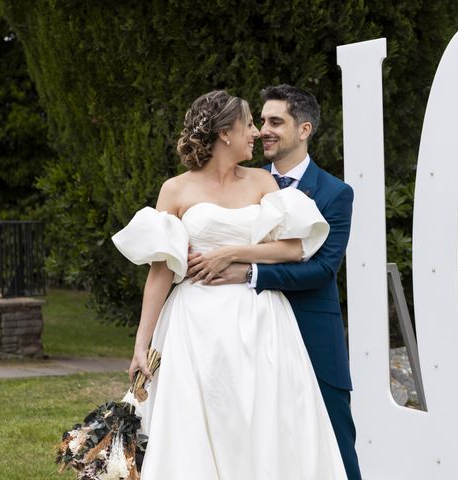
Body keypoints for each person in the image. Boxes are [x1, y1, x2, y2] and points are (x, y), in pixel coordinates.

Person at [112, 90, 347, 479]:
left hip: (260, 321)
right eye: (250, 124)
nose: (256, 133)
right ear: (225, 133)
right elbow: (160, 272)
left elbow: (292, 249)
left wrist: (232, 253)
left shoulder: (262, 182)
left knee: (262, 422)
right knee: (196, 424)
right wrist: (142, 344)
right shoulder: (176, 189)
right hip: (194, 325)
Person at [188, 85, 362, 479]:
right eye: (261, 121)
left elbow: (321, 268)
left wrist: (249, 272)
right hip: (248, 338)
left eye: (275, 122)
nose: (263, 130)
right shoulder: (244, 182)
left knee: (333, 445)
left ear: (304, 130)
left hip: (311, 331)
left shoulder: (336, 194)